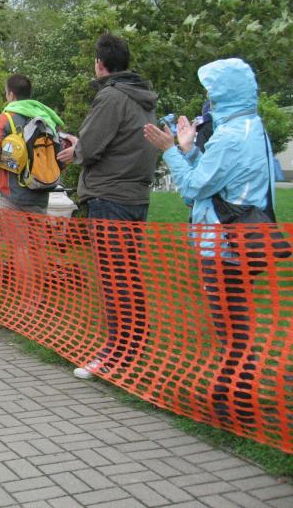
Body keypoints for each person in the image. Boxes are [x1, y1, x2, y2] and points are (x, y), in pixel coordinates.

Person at [143, 58, 275, 425]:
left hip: (223, 244)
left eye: (212, 92)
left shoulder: (231, 137)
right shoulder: (250, 127)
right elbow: (213, 180)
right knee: (235, 322)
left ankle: (236, 403)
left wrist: (170, 149)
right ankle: (232, 395)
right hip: (241, 239)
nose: (209, 99)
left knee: (231, 325)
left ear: (225, 93)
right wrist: (189, 150)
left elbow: (192, 187)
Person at [56, 33, 159, 380]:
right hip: (134, 195)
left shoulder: (111, 96)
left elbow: (92, 146)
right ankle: (132, 347)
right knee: (128, 275)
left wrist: (77, 148)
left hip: (110, 197)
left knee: (115, 278)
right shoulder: (142, 97)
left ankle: (116, 354)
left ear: (100, 64)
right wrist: (83, 144)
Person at [0, 74, 65, 215]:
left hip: (13, 196)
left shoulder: (5, 118)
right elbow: (61, 159)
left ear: (11, 95)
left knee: (14, 231)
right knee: (37, 231)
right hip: (41, 193)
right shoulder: (47, 119)